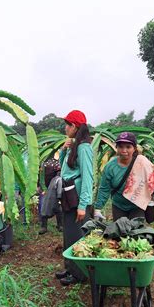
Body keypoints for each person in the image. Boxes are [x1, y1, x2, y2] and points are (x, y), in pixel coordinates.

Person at [94, 132, 154, 223]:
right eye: (120, 146)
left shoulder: (143, 163)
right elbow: (104, 189)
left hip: (137, 205)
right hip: (118, 206)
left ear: (134, 148)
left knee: (136, 233)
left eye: (128, 147)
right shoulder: (110, 167)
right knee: (119, 233)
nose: (124, 150)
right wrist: (98, 209)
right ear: (116, 148)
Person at [55, 110, 94, 286]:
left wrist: (83, 205)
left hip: (77, 199)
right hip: (68, 196)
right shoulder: (75, 146)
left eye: (67, 124)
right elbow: (64, 168)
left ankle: (80, 274)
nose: (65, 128)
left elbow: (88, 177)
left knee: (77, 237)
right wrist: (64, 149)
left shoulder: (84, 148)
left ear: (75, 127)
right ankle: (70, 268)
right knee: (69, 235)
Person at [39, 158, 63, 235]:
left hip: (54, 192)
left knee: (59, 210)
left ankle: (60, 225)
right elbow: (42, 178)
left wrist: (60, 197)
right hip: (48, 190)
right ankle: (44, 226)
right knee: (45, 208)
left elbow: (60, 190)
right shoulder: (45, 163)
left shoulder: (58, 179)